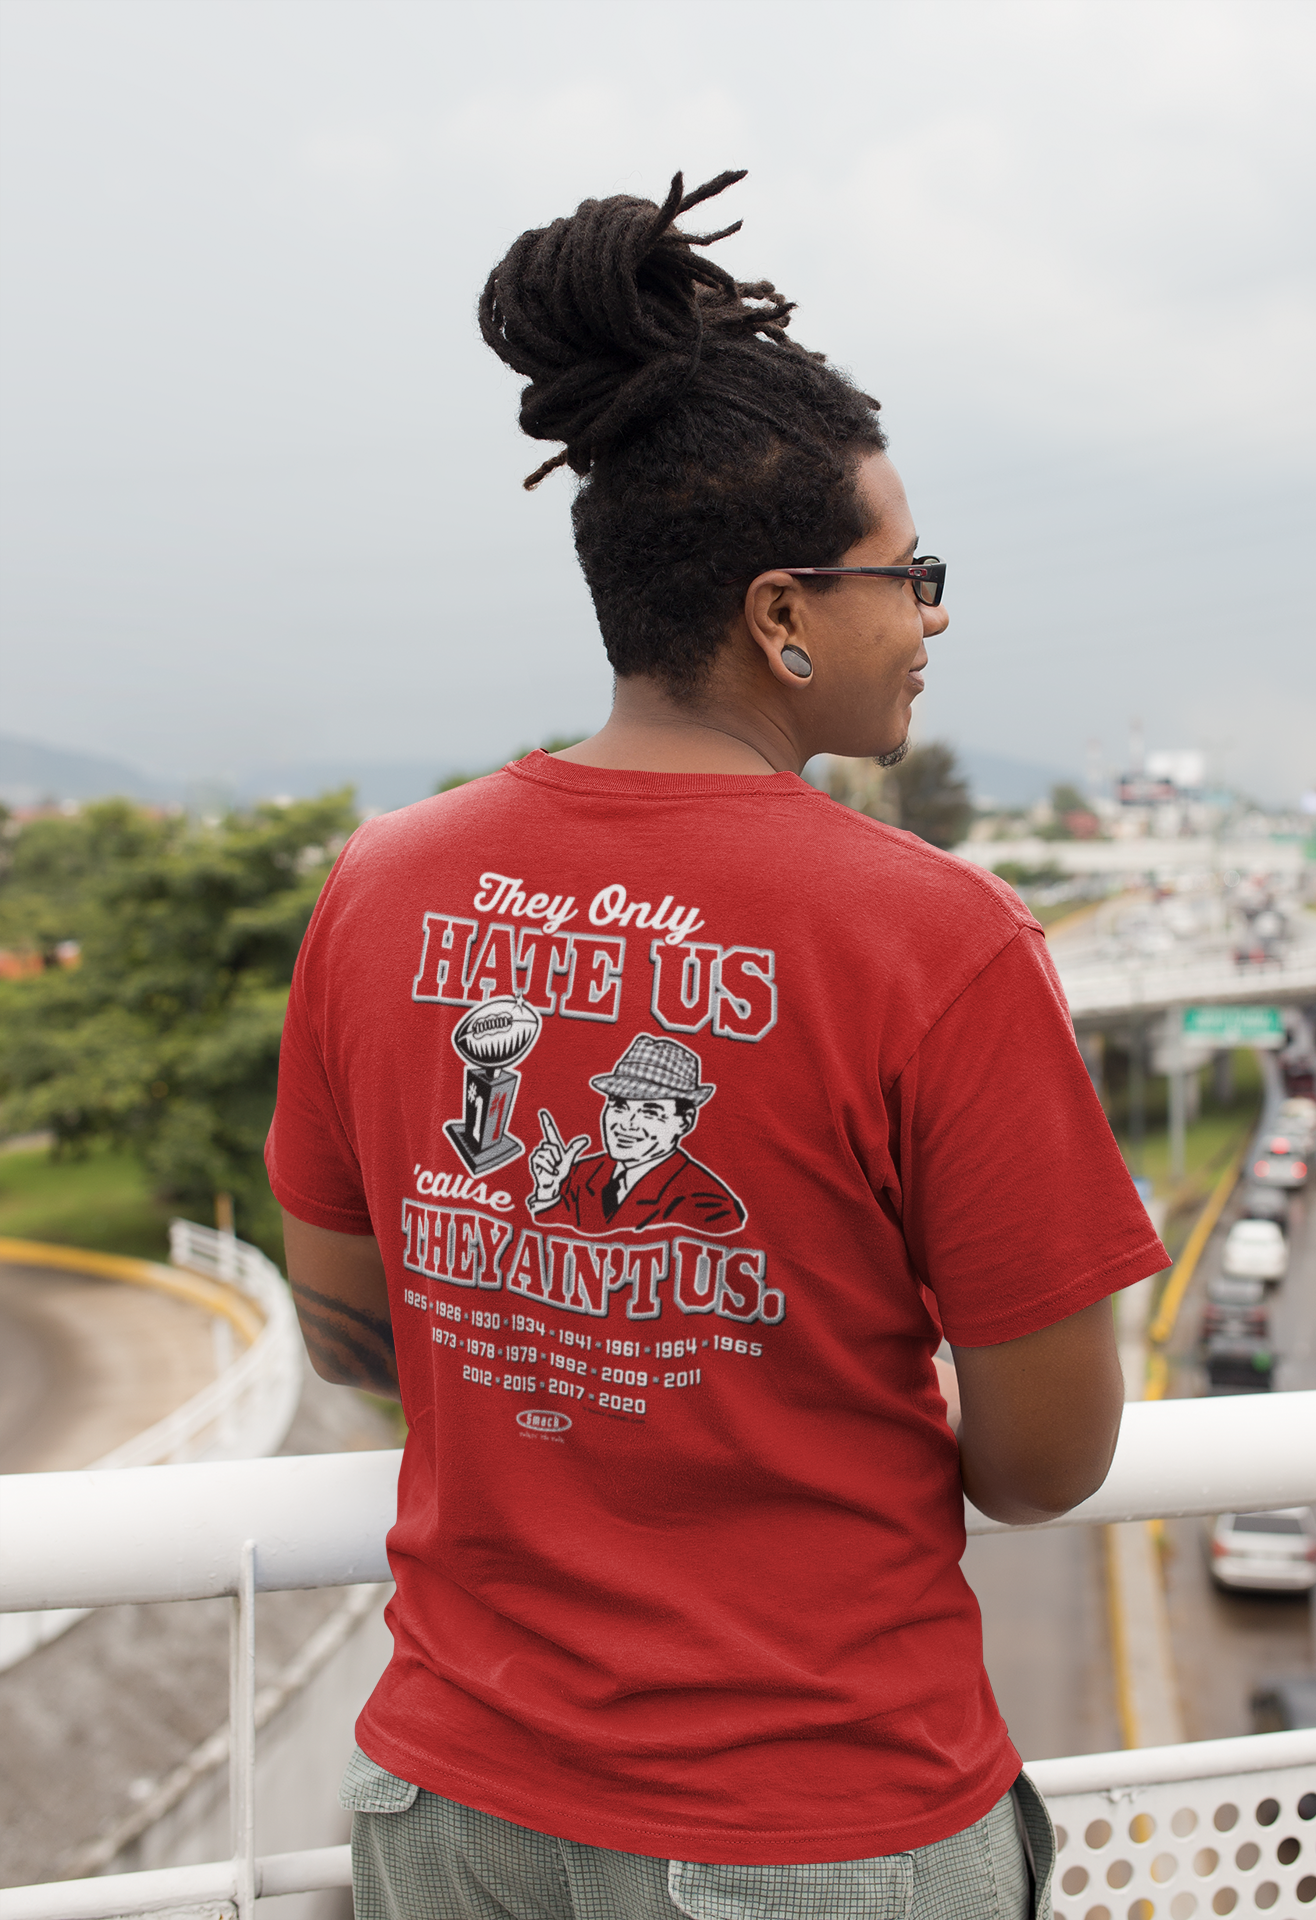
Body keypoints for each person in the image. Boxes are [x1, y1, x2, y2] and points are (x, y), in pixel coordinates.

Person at [267, 168, 1167, 1920]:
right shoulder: (940, 939)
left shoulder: (381, 886)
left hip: (447, 1808)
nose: (931, 615)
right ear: (780, 615)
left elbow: (352, 1330)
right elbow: (1046, 1462)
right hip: (815, 1817)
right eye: (907, 574)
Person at [528, 1033, 747, 1235]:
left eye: (649, 1112)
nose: (626, 1124)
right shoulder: (576, 1175)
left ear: (685, 1121)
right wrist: (548, 1191)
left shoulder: (710, 1204)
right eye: (619, 1106)